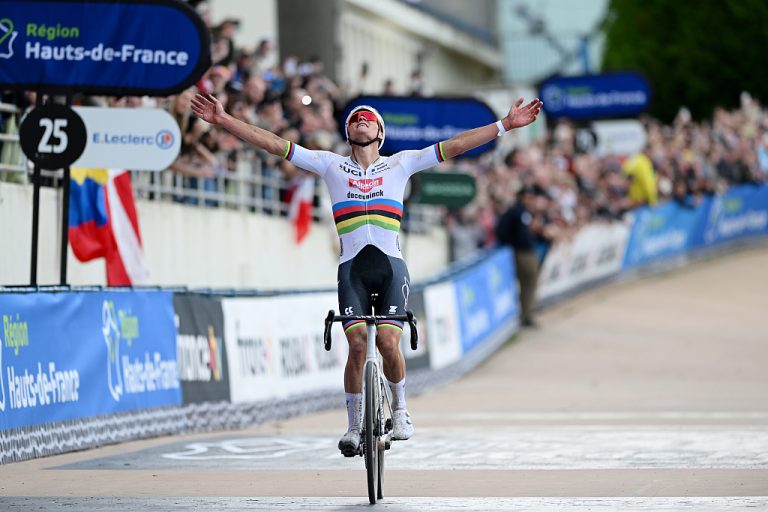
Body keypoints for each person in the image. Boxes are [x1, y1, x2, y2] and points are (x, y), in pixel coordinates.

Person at [191, 93, 542, 456]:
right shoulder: (330, 165)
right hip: (352, 270)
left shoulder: (400, 164)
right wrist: (225, 120)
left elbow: (453, 146)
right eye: (355, 118)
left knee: (388, 344)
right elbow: (277, 145)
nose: (360, 119)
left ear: (380, 133)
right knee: (358, 344)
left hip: (390, 266)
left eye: (368, 118)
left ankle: (402, 411)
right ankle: (354, 427)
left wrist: (504, 125)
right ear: (347, 132)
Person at [495, 186, 541, 328]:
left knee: (528, 285)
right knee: (528, 284)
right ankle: (526, 316)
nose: (532, 200)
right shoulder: (518, 211)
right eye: (529, 197)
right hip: (522, 253)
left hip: (523, 251)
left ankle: (526, 314)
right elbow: (508, 232)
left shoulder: (521, 211)